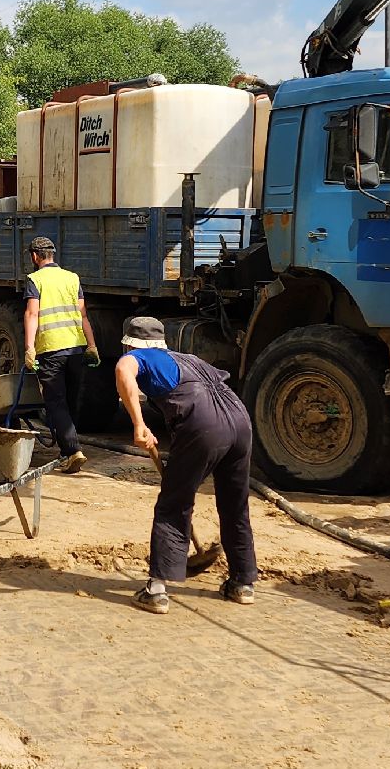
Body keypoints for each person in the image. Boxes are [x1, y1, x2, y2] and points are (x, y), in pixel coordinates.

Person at [111, 315, 259, 613]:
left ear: (129, 343)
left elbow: (122, 370)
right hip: (240, 422)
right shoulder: (186, 358)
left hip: (205, 425)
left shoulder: (137, 357)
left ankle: (156, 591)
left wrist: (138, 424)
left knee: (174, 503)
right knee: (235, 503)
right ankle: (242, 583)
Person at [20, 236, 98, 473]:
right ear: (52, 255)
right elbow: (83, 315)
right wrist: (92, 346)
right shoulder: (72, 278)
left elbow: (32, 315)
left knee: (55, 401)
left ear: (35, 256)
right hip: (76, 347)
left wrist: (29, 348)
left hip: (51, 348)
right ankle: (68, 448)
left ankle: (73, 451)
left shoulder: (35, 279)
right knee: (71, 399)